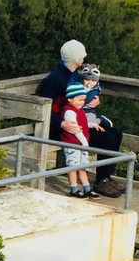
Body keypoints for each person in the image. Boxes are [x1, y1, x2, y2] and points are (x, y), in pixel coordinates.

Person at [36, 39, 125, 197]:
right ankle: (101, 181)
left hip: (77, 124)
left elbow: (79, 99)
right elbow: (44, 109)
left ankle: (105, 177)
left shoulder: (72, 75)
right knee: (107, 139)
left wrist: (93, 102)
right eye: (81, 56)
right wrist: (62, 124)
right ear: (75, 58)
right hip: (64, 129)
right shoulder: (55, 79)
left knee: (116, 133)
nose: (84, 58)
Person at [60, 82, 100, 198]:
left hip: (81, 144)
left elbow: (82, 122)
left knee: (83, 166)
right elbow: (75, 129)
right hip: (72, 143)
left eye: (83, 100)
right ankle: (73, 188)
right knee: (73, 166)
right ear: (70, 99)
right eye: (79, 100)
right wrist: (84, 142)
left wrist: (92, 125)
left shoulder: (79, 110)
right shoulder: (69, 112)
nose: (82, 103)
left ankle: (86, 187)